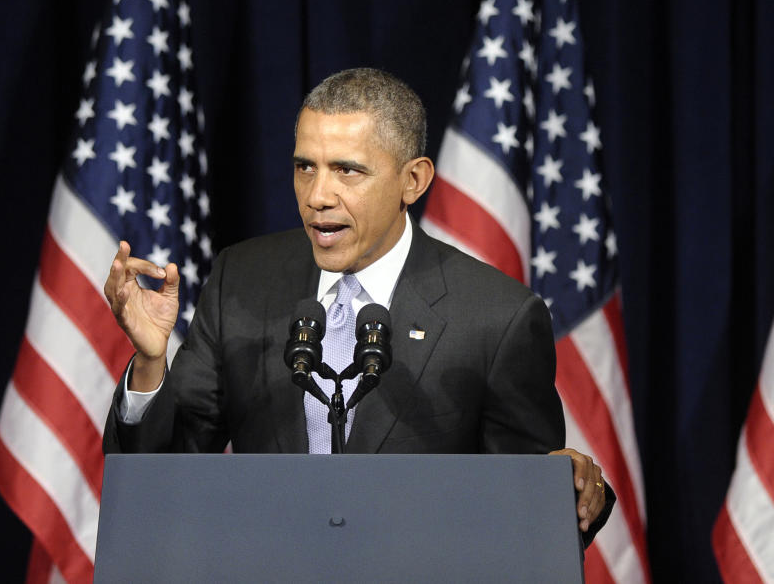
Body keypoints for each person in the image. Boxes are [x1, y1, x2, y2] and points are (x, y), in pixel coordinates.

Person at [102, 68, 613, 541]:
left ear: (412, 180)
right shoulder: (242, 280)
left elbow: (535, 523)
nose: (317, 195)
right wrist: (151, 363)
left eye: (347, 171)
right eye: (306, 167)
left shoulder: (495, 318)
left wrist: (572, 491)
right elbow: (162, 477)